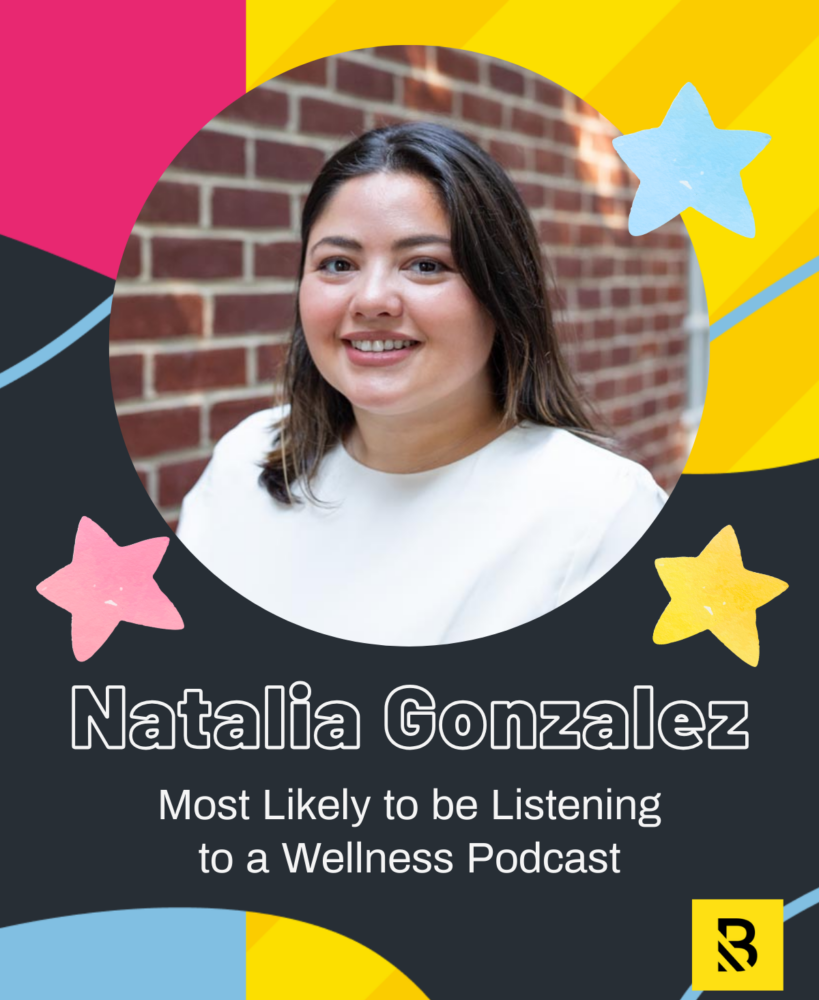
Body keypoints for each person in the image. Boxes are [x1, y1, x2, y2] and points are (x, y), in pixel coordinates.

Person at [177, 122, 666, 645]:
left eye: (426, 265)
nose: (371, 299)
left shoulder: (603, 513)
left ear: (501, 294)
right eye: (338, 263)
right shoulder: (247, 457)